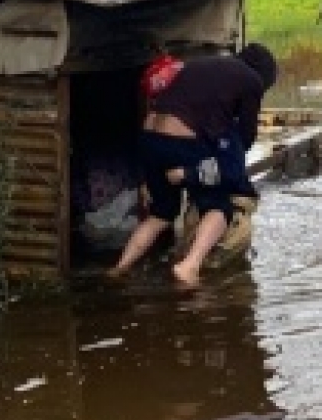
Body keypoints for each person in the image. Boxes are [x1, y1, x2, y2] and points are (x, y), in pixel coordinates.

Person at [107, 43, 278, 286]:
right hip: (182, 142)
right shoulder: (252, 80)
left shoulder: (203, 64)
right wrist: (222, 165)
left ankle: (121, 267)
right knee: (218, 207)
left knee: (162, 213)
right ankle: (190, 266)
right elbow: (246, 136)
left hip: (150, 138)